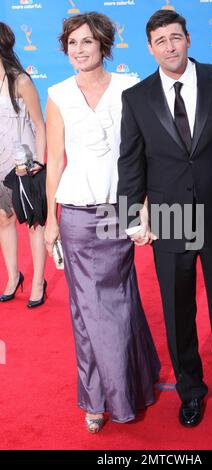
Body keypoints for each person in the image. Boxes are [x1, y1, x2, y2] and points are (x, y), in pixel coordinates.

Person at [117, 10, 212, 427]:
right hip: (169, 217)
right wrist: (132, 215)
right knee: (177, 312)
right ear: (150, 49)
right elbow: (130, 162)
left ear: (189, 39)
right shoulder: (136, 97)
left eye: (175, 37)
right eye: (160, 41)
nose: (169, 46)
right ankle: (190, 392)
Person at [44, 12, 160, 433]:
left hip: (120, 211)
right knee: (87, 309)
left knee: (121, 301)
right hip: (75, 212)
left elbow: (143, 152)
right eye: (72, 43)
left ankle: (133, 381)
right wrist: (51, 219)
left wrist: (144, 205)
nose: (79, 50)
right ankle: (96, 400)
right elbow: (54, 159)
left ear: (104, 46)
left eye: (87, 43)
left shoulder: (130, 87)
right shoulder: (57, 94)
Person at [0, 22, 47, 308]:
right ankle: (12, 276)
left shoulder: (21, 81)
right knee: (3, 220)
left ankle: (39, 280)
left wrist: (39, 162)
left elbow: (40, 125)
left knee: (33, 222)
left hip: (23, 162)